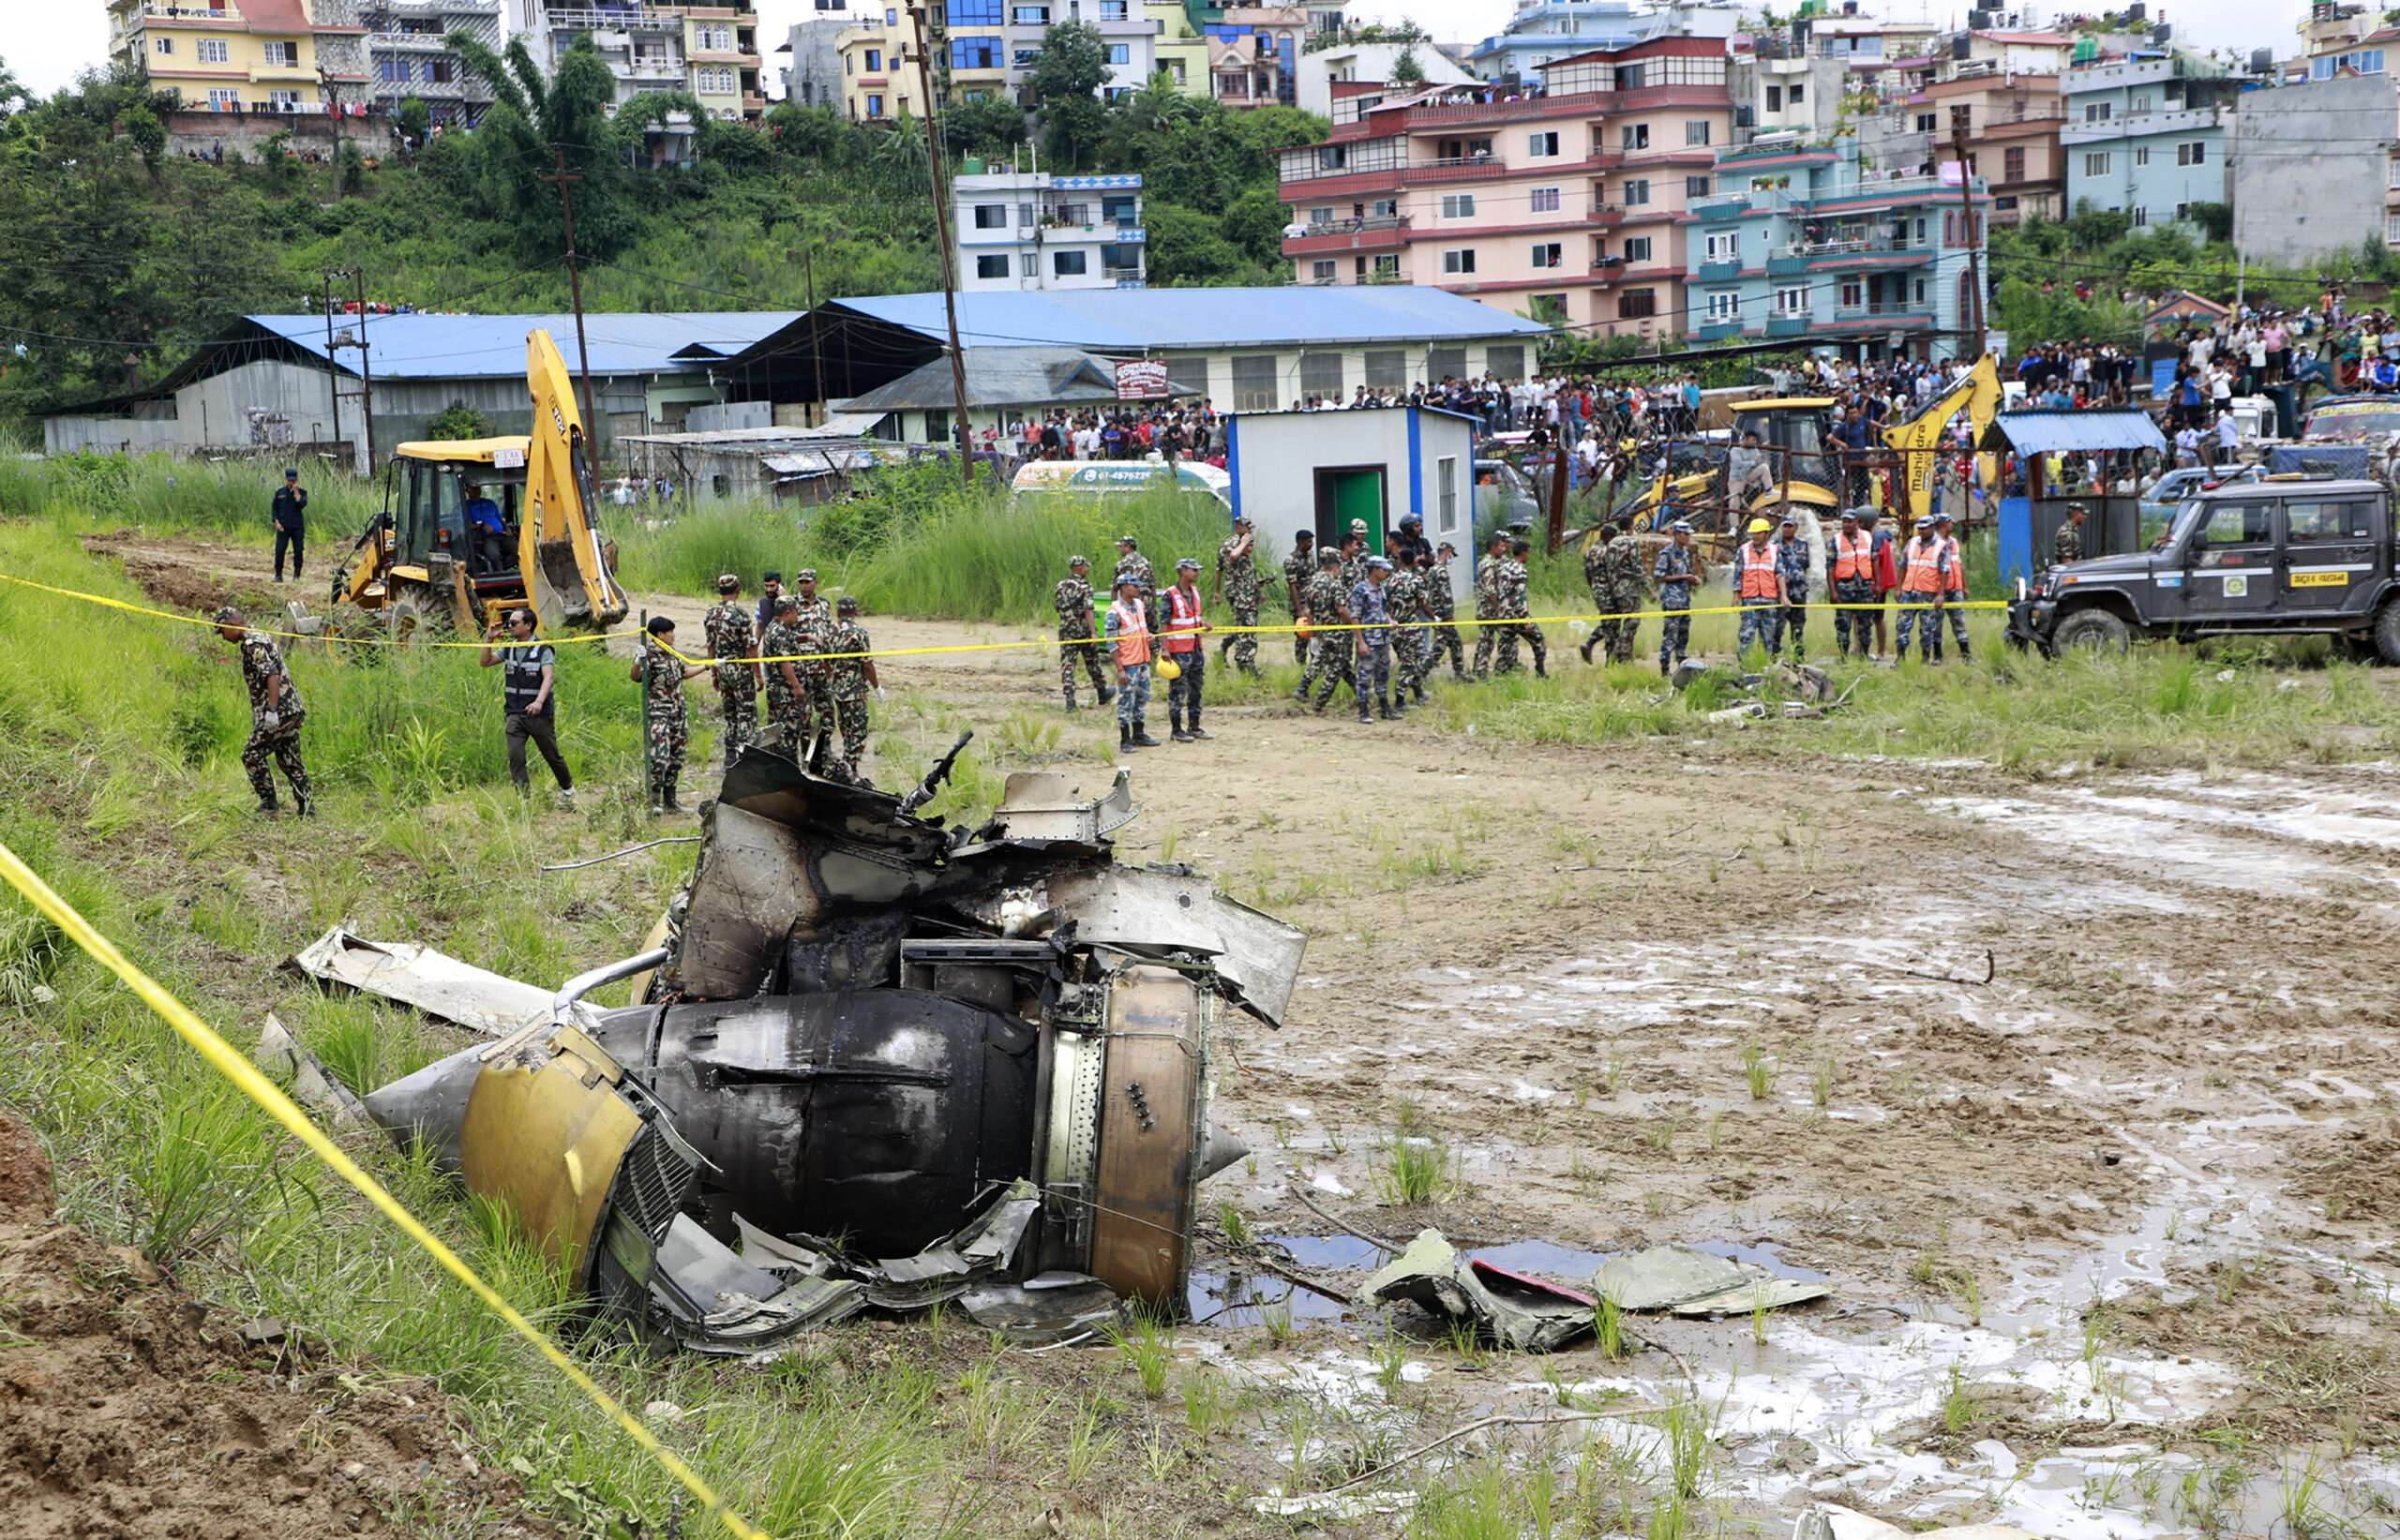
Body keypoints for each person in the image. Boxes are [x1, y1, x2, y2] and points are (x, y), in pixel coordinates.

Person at [217, 605, 311, 815]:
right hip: (293, 708)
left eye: (221, 631)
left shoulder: (252, 643)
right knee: (289, 758)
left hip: (281, 710)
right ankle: (307, 807)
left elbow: (272, 675)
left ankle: (269, 804)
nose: (222, 637)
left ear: (231, 625)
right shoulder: (261, 635)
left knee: (252, 755)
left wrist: (272, 710)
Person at [481, 606, 573, 798]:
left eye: (514, 623)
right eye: (509, 622)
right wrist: (489, 639)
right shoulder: (510, 648)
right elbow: (485, 662)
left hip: (538, 715)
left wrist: (539, 702)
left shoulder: (543, 649)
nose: (510, 626)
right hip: (514, 713)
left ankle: (568, 789)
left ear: (528, 625)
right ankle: (525, 799)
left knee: (551, 755)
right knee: (516, 757)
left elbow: (548, 678)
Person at [632, 615, 705, 812]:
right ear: (660, 634)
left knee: (677, 756)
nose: (674, 635)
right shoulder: (649, 654)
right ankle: (654, 799)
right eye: (671, 632)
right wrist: (639, 661)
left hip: (678, 711)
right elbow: (636, 677)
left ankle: (670, 800)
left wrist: (708, 666)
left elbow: (684, 673)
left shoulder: (672, 654)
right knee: (660, 756)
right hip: (659, 712)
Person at [699, 574, 760, 769]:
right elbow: (751, 647)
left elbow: (711, 647)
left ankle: (729, 754)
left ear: (719, 591)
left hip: (723, 668)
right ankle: (745, 756)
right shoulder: (740, 614)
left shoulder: (711, 614)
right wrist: (758, 674)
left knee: (731, 714)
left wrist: (714, 674)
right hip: (740, 668)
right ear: (738, 591)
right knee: (746, 713)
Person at [822, 596, 883, 784]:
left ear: (839, 612)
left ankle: (847, 765)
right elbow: (867, 665)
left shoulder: (829, 632)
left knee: (845, 727)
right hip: (855, 690)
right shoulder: (859, 633)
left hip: (837, 690)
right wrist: (877, 687)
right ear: (855, 612)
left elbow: (825, 662)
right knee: (858, 729)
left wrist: (834, 678)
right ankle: (851, 767)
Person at [1104, 575, 1162, 751]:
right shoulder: (1114, 613)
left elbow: (1140, 629)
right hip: (1128, 663)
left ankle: (1139, 734)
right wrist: (1120, 669)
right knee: (1126, 700)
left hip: (1143, 660)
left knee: (1142, 697)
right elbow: (1112, 644)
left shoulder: (1139, 605)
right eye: (1134, 586)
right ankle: (1125, 739)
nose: (1138, 589)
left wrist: (1149, 638)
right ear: (1124, 588)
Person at [1161, 557, 1212, 741]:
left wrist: (1204, 625)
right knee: (1178, 689)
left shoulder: (1196, 592)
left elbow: (1194, 618)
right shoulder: (1170, 595)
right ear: (1183, 571)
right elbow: (1164, 624)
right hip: (1178, 650)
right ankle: (1176, 730)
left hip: (1196, 647)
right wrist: (1164, 649)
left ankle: (1194, 726)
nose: (1197, 573)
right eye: (1194, 570)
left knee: (1196, 688)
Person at [1054, 555, 1114, 710]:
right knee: (1092, 661)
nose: (1087, 569)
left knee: (1068, 663)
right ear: (1080, 569)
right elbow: (1089, 610)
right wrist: (1094, 633)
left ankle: (1070, 699)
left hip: (1066, 630)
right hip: (1083, 630)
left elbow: (1057, 607)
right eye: (1086, 566)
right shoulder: (1085, 586)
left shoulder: (1060, 585)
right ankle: (1102, 692)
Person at [1300, 548, 1356, 713]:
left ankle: (1361, 693)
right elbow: (1341, 609)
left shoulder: (1313, 583)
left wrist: (1313, 631)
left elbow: (1308, 610)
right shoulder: (1334, 584)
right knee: (1336, 668)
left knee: (1341, 663)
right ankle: (1318, 704)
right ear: (1336, 568)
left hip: (1322, 629)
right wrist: (1354, 624)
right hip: (1337, 632)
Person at [1895, 514, 1953, 664]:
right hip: (1909, 591)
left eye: (1925, 529)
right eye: (1920, 529)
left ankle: (1925, 658)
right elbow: (1903, 566)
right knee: (1902, 625)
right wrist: (1899, 588)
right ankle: (1900, 658)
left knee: (1927, 628)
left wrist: (1940, 595)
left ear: (1932, 528)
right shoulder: (1912, 543)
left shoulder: (1942, 546)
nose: (1921, 531)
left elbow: (1945, 571)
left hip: (1929, 593)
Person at [758, 593, 810, 756]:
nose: (797, 616)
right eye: (796, 613)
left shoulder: (773, 627)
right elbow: (785, 661)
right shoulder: (781, 632)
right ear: (788, 612)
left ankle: (774, 764)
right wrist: (797, 686)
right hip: (785, 691)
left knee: (775, 728)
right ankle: (789, 766)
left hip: (776, 688)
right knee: (789, 731)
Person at [1349, 556, 1400, 722]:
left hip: (1383, 639)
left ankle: (1385, 708)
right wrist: (1361, 642)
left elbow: (1383, 610)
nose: (1386, 573)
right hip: (1369, 640)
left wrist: (1390, 621)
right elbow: (1355, 618)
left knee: (1383, 675)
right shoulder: (1360, 590)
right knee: (1365, 677)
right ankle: (1363, 711)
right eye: (1384, 570)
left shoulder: (1381, 589)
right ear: (1374, 570)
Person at [1211, 516, 1261, 677]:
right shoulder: (1234, 544)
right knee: (1246, 628)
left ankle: (1229, 649)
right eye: (1247, 528)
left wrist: (1258, 590)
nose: (1249, 532)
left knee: (1244, 625)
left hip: (1246, 592)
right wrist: (1244, 543)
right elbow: (1230, 559)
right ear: (1239, 527)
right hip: (1240, 594)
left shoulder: (1243, 543)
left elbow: (1246, 572)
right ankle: (1245, 663)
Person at [1492, 539, 1548, 677]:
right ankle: (1540, 671)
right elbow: (1519, 597)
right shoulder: (1520, 571)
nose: (1528, 556)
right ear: (1523, 553)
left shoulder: (1503, 568)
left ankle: (1499, 674)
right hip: (1515, 615)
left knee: (1506, 643)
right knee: (1538, 639)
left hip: (1502, 613)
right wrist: (1526, 619)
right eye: (1528, 553)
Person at [1654, 520, 1702, 678]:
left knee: (1683, 634)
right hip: (1672, 601)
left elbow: (1686, 573)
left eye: (1689, 534)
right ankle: (1665, 668)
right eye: (1685, 534)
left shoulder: (1686, 553)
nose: (1688, 537)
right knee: (1670, 635)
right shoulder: (1666, 553)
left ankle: (1682, 667)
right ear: (1676, 535)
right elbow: (1659, 576)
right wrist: (1684, 577)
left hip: (1684, 600)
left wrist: (1692, 580)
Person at [1829, 508, 1877, 660]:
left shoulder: (1868, 537)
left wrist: (1877, 584)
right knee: (1843, 624)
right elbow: (1830, 567)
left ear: (1857, 522)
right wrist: (1833, 591)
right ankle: (1843, 656)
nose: (1846, 525)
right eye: (1844, 522)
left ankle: (1864, 654)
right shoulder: (1836, 540)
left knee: (1866, 623)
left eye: (1850, 521)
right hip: (1844, 588)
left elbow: (1874, 561)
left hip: (1865, 587)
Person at [1734, 517, 1786, 659]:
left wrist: (1784, 595)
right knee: (1746, 636)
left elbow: (1780, 574)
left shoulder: (1775, 550)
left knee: (1768, 637)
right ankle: (1745, 666)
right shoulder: (1743, 550)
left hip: (1769, 599)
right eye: (1753, 533)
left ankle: (1765, 664)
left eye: (1758, 533)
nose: (1755, 536)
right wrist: (1736, 596)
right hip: (1750, 599)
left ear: (1766, 534)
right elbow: (1738, 574)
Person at [1385, 551, 1429, 704]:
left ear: (1400, 561)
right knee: (1409, 663)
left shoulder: (1390, 580)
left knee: (1410, 660)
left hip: (1394, 628)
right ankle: (1400, 700)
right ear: (1413, 562)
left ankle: (1419, 693)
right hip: (1411, 628)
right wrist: (1433, 616)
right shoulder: (1416, 580)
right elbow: (1424, 603)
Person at [1422, 546, 1468, 680]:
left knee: (1456, 643)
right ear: (1447, 553)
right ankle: (1420, 673)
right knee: (1439, 647)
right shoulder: (1441, 571)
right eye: (1451, 555)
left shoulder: (1432, 570)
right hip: (1443, 614)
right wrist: (1449, 615)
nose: (1451, 558)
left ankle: (1459, 673)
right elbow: (1445, 595)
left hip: (1436, 612)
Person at [1936, 511, 1973, 663]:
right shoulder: (1934, 543)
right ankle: (1938, 655)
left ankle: (1966, 656)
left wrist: (1964, 586)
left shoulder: (1953, 542)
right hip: (1939, 590)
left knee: (1959, 622)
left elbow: (1959, 565)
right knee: (1936, 623)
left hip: (1955, 588)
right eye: (1950, 523)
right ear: (1944, 524)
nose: (1952, 525)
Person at [1775, 513, 1811, 660]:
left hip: (1799, 591)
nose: (1787, 529)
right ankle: (1774, 655)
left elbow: (1805, 565)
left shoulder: (1803, 544)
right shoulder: (1775, 546)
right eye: (1785, 526)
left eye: (1790, 526)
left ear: (1796, 528)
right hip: (1782, 592)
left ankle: (1798, 657)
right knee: (1778, 625)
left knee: (1798, 626)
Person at [1282, 530, 1317, 668]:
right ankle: (1301, 664)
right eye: (1308, 542)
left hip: (1312, 601)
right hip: (1300, 602)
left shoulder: (1311, 555)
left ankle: (1315, 663)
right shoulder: (1291, 561)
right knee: (1302, 635)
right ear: (1300, 542)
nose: (1311, 544)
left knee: (1315, 634)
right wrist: (1300, 610)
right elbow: (1292, 586)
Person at [270, 469, 308, 584]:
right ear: (286, 480)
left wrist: (296, 491)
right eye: (290, 480)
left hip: (297, 527)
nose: (292, 482)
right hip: (283, 527)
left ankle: (296, 575)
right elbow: (275, 509)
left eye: (294, 480)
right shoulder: (280, 492)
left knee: (298, 551)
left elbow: (301, 504)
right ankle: (278, 574)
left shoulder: (302, 492)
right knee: (280, 550)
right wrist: (277, 522)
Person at [462, 481, 507, 570]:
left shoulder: (489, 503)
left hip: (502, 533)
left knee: (519, 551)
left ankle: (506, 567)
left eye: (478, 488)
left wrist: (507, 529)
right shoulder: (466, 506)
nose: (477, 491)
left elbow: (500, 519)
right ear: (467, 491)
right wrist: (482, 526)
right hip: (486, 537)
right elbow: (467, 525)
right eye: (473, 488)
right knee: (494, 556)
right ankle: (500, 573)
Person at [754, 570, 785, 639]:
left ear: (780, 585)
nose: (769, 590)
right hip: (768, 647)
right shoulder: (762, 603)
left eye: (772, 586)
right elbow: (759, 627)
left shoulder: (790, 603)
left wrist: (783, 599)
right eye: (766, 586)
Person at [2053, 502, 2087, 567]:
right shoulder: (2066, 532)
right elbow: (2067, 559)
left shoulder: (2072, 531)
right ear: (2074, 514)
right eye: (2083, 514)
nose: (2085, 517)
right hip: (2069, 573)